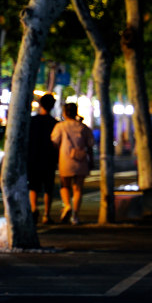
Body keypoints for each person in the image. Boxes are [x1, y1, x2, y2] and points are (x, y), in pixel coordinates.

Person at [51, 103, 94, 225]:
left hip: (65, 158)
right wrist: (91, 160)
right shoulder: (83, 127)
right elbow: (90, 146)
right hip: (81, 160)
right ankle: (75, 215)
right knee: (78, 188)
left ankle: (67, 205)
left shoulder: (60, 126)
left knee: (65, 184)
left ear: (64, 113)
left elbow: (54, 142)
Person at [29, 94, 59, 224]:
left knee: (33, 186)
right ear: (52, 106)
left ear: (40, 104)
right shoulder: (55, 123)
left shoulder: (32, 121)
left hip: (33, 157)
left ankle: (34, 209)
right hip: (49, 158)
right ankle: (47, 214)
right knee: (48, 187)